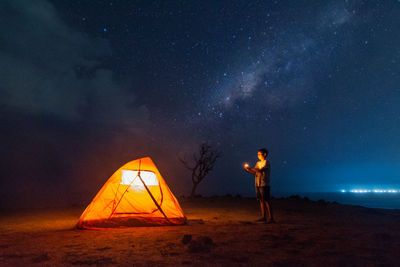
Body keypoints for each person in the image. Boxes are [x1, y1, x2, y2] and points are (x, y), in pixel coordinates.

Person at [244, 148, 275, 223]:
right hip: (257, 183)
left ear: (264, 154)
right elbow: (255, 172)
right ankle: (263, 217)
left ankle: (271, 218)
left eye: (259, 154)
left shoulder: (267, 162)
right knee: (261, 200)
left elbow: (260, 170)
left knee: (266, 200)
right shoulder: (258, 163)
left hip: (264, 184)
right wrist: (248, 170)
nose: (258, 155)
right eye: (257, 154)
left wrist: (251, 168)